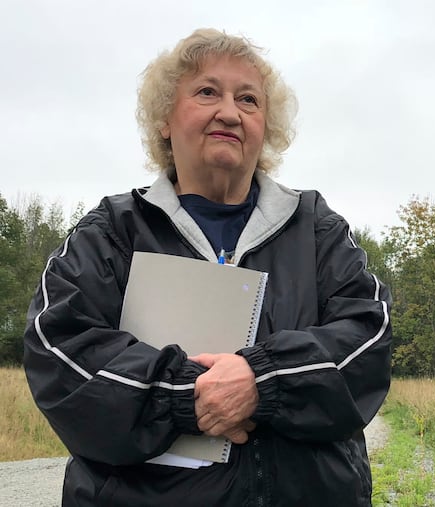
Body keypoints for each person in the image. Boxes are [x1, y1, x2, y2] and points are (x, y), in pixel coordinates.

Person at [23, 28, 392, 506]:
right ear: (164, 120)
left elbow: (367, 339)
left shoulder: (316, 229)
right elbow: (60, 350)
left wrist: (263, 381)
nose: (229, 112)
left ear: (266, 127)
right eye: (206, 92)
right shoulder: (112, 231)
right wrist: (183, 394)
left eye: (248, 100)